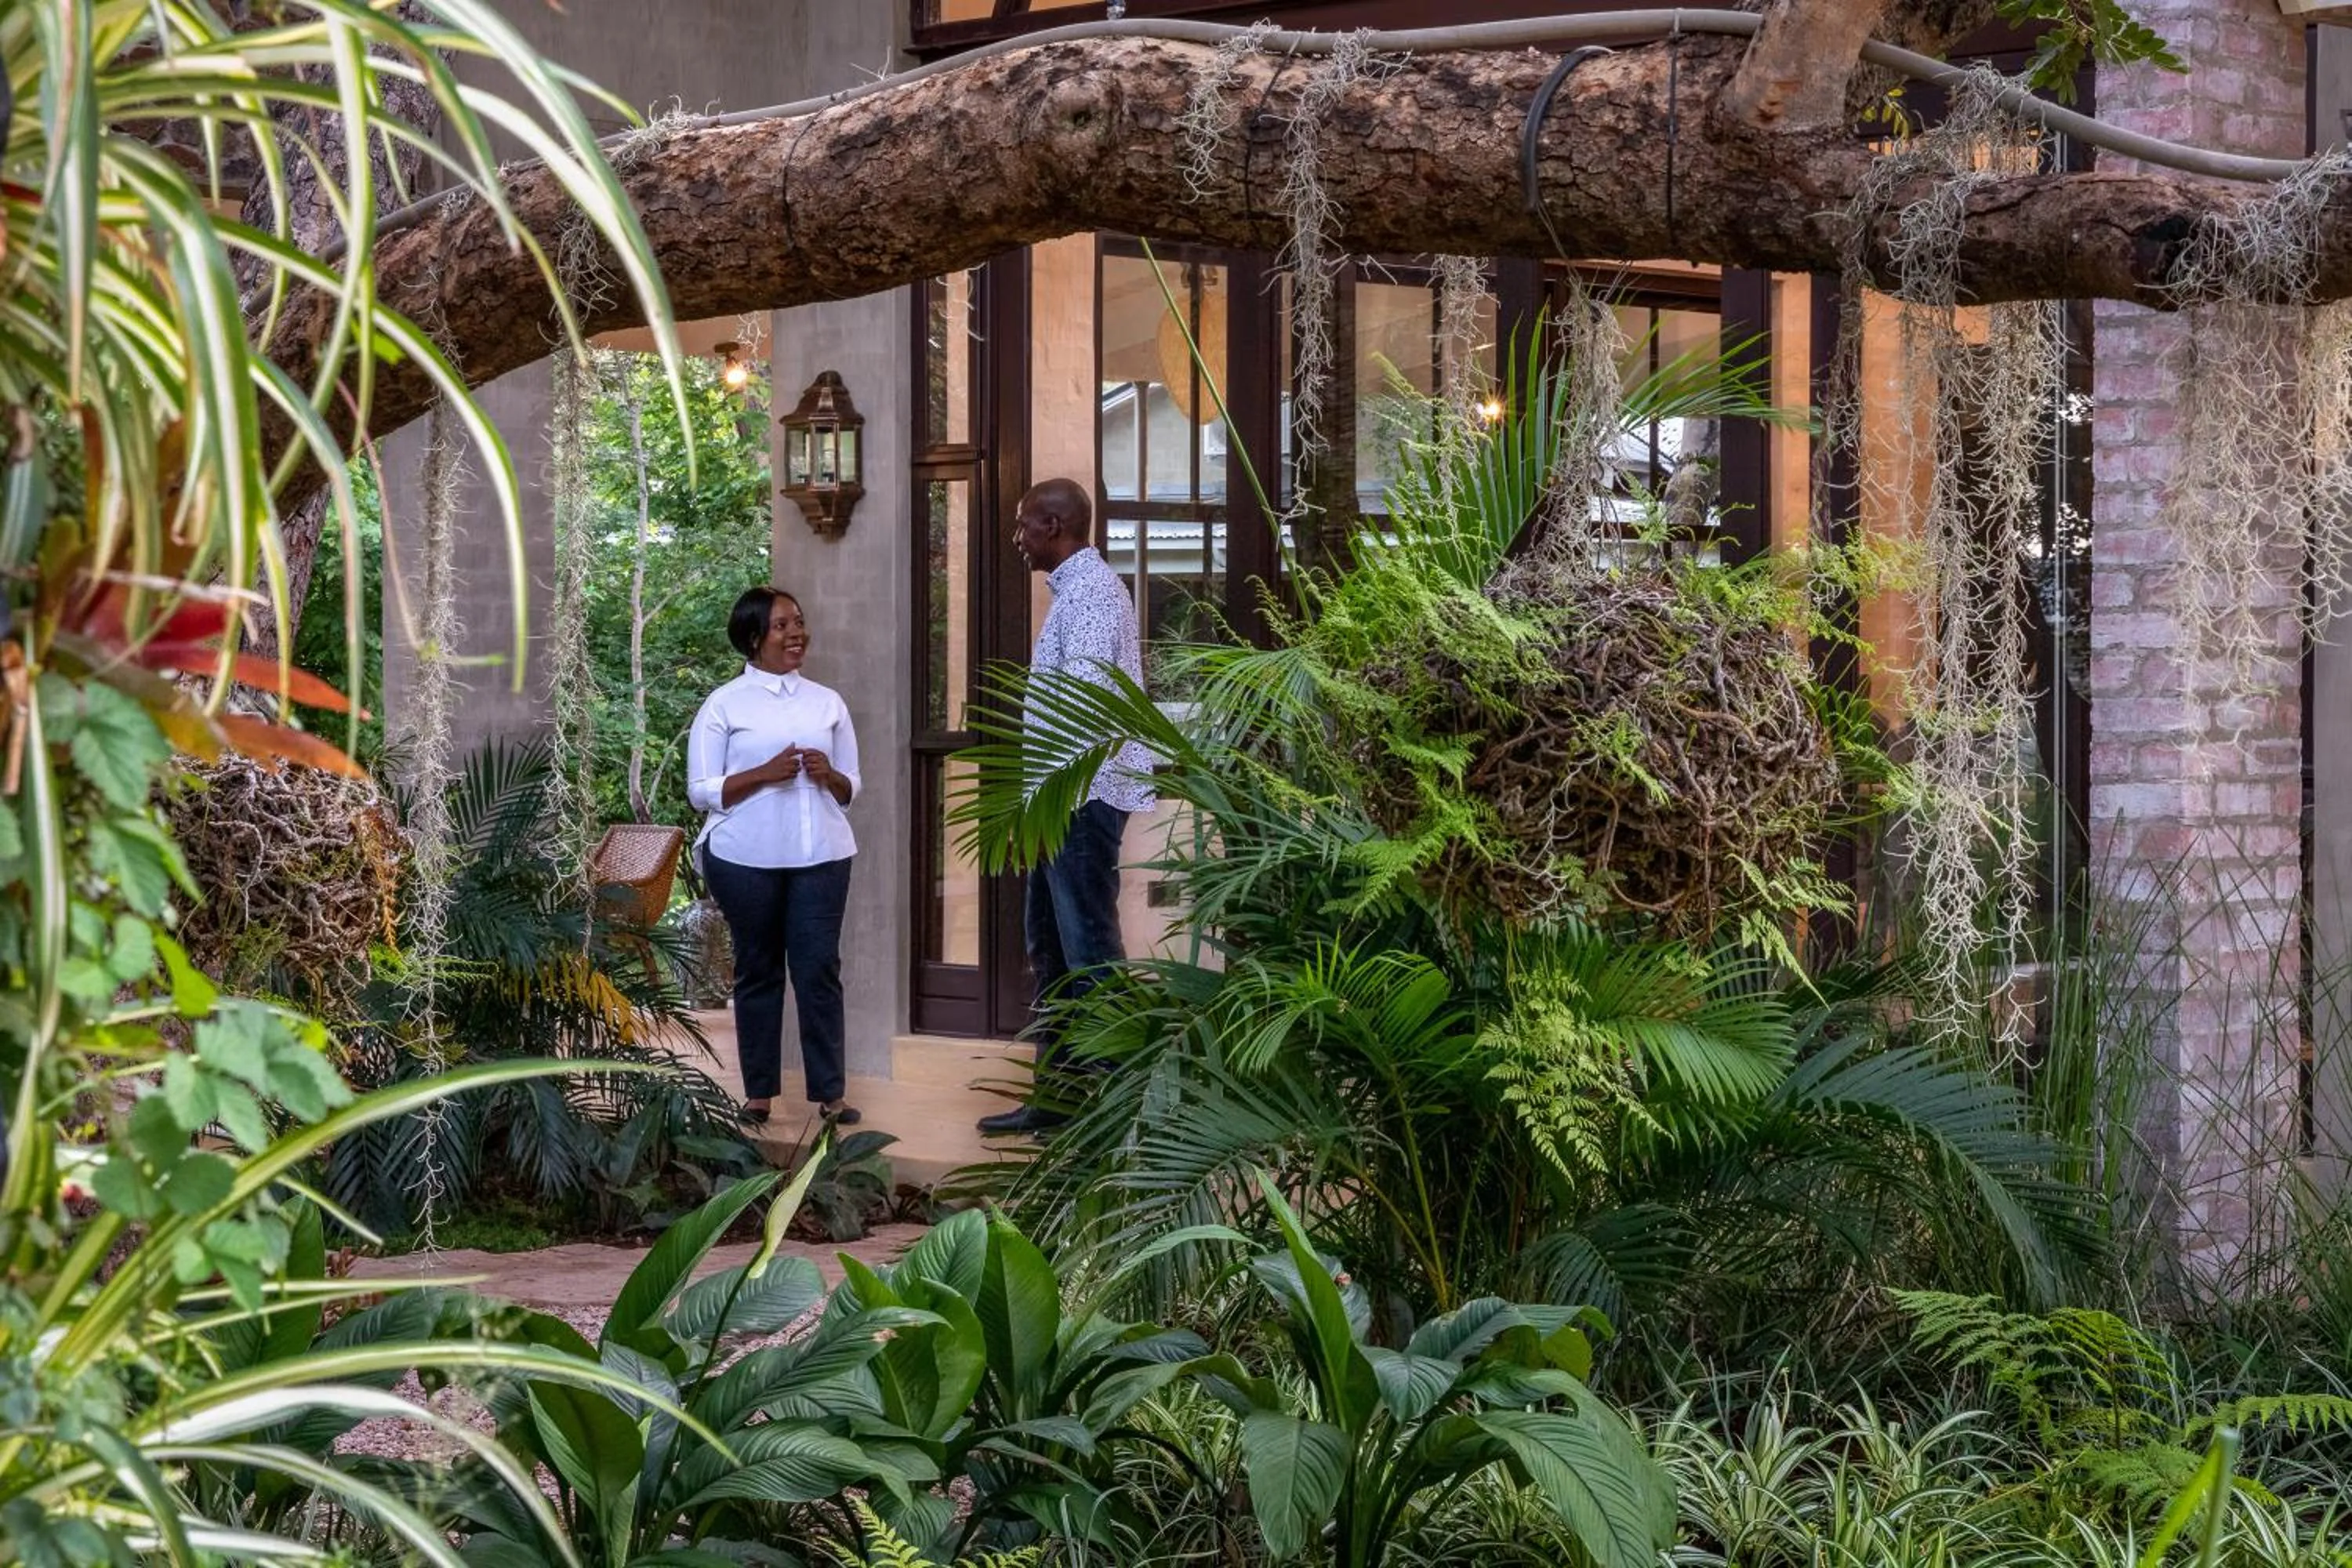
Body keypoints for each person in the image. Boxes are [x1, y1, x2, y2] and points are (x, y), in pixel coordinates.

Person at [978, 478, 1155, 1137]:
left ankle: (1114, 1109)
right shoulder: (1079, 593)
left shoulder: (1091, 596)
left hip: (1078, 800)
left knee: (1090, 957)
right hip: (1060, 800)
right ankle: (1056, 1098)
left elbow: (1080, 720)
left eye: (1024, 525)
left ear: (1053, 525)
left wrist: (1043, 810)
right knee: (1050, 951)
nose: (1017, 538)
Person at [686, 586, 862, 1127]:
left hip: (821, 855)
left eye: (799, 623)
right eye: (783, 626)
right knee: (758, 970)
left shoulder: (827, 701)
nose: (797, 634)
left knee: (818, 970)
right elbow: (700, 790)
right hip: (744, 859)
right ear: (755, 637)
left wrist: (828, 775)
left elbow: (853, 784)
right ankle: (758, 1094)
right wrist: (765, 773)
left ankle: (830, 1095)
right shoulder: (723, 705)